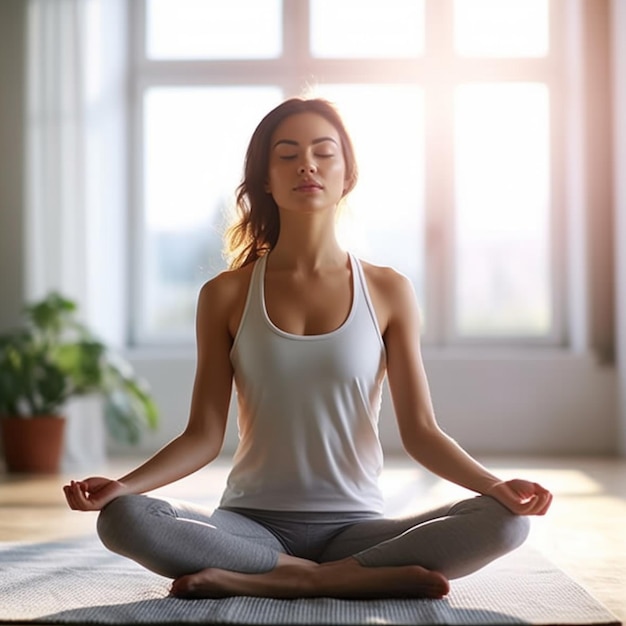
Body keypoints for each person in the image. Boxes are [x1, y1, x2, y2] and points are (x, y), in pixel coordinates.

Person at [63, 97, 552, 600]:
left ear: (347, 175)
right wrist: (126, 486)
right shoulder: (225, 295)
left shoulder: (388, 291)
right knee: (123, 519)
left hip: (357, 530)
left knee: (505, 523)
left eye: (324, 152)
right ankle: (335, 580)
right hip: (250, 526)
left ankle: (275, 580)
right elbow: (203, 435)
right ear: (266, 179)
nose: (307, 165)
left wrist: (494, 487)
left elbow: (421, 432)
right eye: (287, 154)